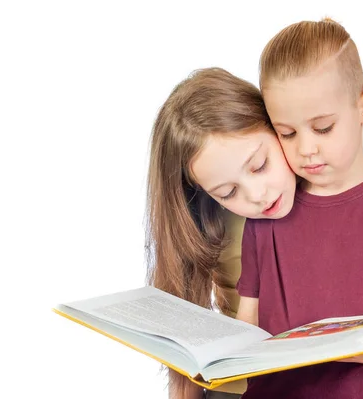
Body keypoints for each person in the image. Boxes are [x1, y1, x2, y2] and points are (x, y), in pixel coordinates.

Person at [235, 18, 363, 398]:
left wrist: (356, 349)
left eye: (323, 128)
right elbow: (247, 323)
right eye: (287, 133)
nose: (306, 149)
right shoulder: (266, 214)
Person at [145, 67, 296, 399]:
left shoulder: (331, 191)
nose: (258, 194)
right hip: (236, 388)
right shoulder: (212, 221)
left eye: (259, 165)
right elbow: (184, 357)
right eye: (228, 192)